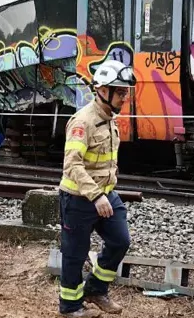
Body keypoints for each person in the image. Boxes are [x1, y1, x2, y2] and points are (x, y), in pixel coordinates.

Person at [57, 59, 136, 317]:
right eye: (121, 91)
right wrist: (96, 196)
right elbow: (72, 165)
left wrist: (108, 185)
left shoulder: (110, 120)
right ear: (103, 90)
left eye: (125, 92)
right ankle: (70, 307)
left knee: (120, 240)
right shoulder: (83, 122)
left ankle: (95, 289)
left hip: (104, 194)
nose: (124, 97)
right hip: (79, 199)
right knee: (75, 254)